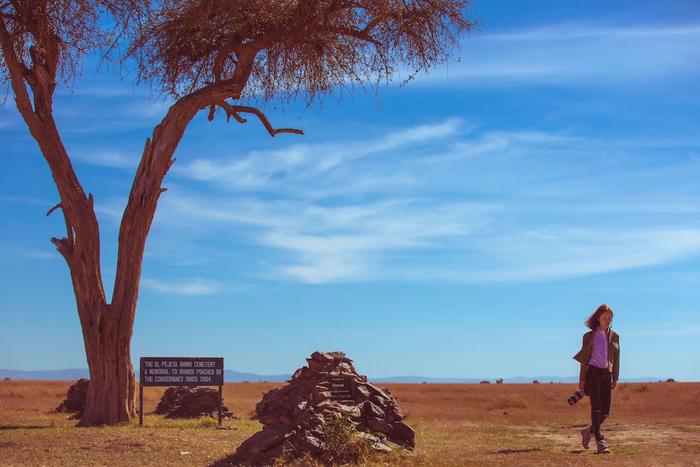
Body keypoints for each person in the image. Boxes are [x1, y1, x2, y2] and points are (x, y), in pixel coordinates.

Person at [572, 304, 620, 454]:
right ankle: (600, 441)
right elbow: (584, 360)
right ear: (598, 318)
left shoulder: (615, 336)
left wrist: (615, 377)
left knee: (606, 411)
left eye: (610, 318)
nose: (607, 320)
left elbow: (617, 358)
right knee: (597, 408)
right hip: (592, 373)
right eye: (605, 317)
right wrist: (582, 379)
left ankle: (588, 431)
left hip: (607, 374)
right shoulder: (589, 336)